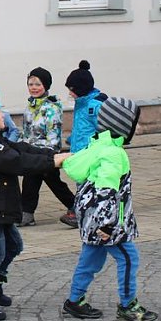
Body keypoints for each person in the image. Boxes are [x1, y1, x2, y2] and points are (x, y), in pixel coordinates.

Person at [0, 94, 70, 321]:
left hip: (2, 206)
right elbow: (18, 162)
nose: (3, 115)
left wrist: (53, 154)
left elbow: (21, 149)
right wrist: (52, 163)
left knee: (14, 246)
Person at [61, 97, 158, 321]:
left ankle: (74, 300)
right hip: (108, 221)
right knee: (129, 258)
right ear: (123, 126)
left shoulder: (96, 145)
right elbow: (106, 191)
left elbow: (75, 168)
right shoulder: (114, 154)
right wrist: (107, 224)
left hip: (89, 218)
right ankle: (128, 306)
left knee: (91, 259)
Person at [19, 67, 75, 227]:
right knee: (30, 181)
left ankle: (75, 205)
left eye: (38, 84)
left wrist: (50, 154)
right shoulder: (30, 106)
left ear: (46, 85)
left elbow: (54, 133)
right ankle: (27, 214)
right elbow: (27, 130)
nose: (34, 87)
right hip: (31, 152)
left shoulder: (52, 108)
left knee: (53, 182)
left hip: (46, 153)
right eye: (30, 84)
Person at [62, 60, 108, 228]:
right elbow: (81, 126)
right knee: (81, 182)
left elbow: (102, 129)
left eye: (72, 90)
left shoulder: (94, 105)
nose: (70, 93)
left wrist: (95, 145)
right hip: (79, 151)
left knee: (88, 184)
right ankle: (82, 212)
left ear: (81, 89)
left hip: (91, 153)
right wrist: (72, 139)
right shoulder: (81, 103)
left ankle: (83, 214)